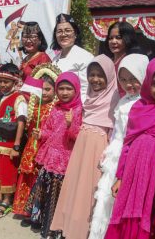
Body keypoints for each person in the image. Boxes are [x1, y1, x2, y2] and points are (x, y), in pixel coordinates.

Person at [105, 56, 155, 239]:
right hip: (135, 170)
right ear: (147, 81)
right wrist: (120, 177)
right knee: (130, 213)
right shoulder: (139, 107)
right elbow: (127, 144)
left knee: (153, 212)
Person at [51, 54, 119, 239]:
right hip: (81, 148)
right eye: (92, 74)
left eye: (100, 75)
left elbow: (116, 132)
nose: (95, 79)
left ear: (110, 77)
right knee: (76, 188)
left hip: (98, 151)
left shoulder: (115, 101)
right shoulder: (88, 98)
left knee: (89, 191)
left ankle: (83, 232)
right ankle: (69, 229)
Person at [89, 54, 149, 239]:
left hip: (129, 155)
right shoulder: (123, 100)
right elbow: (117, 130)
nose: (128, 84)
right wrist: (107, 151)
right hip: (115, 153)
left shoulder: (144, 103)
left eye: (133, 79)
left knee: (119, 199)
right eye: (123, 80)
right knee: (106, 198)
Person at [25, 72, 83, 238]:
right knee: (46, 191)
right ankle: (42, 222)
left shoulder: (79, 110)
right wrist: (40, 134)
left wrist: (71, 124)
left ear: (76, 89)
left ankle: (56, 228)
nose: (64, 92)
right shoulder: (56, 108)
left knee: (58, 195)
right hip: (51, 157)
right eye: (61, 89)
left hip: (65, 160)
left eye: (68, 89)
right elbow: (49, 130)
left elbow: (78, 137)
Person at [13, 64, 61, 221]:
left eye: (48, 89)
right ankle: (25, 210)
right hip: (30, 148)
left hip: (46, 149)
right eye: (41, 89)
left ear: (55, 90)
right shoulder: (33, 107)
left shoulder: (56, 109)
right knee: (27, 177)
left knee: (40, 179)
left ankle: (37, 213)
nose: (44, 93)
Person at [0, 63, 27, 218]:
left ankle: (7, 201)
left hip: (8, 144)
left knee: (7, 172)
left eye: (6, 81)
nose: (2, 84)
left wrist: (16, 145)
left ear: (15, 82)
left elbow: (21, 122)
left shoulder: (19, 98)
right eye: (0, 81)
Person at [52, 13, 94, 102]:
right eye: (59, 31)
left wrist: (77, 110)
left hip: (74, 108)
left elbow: (86, 89)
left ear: (75, 33)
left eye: (67, 30)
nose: (63, 34)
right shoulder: (55, 59)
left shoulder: (85, 57)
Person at [100, 21, 141, 96]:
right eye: (110, 38)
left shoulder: (131, 62)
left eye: (118, 38)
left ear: (128, 38)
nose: (113, 41)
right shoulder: (107, 61)